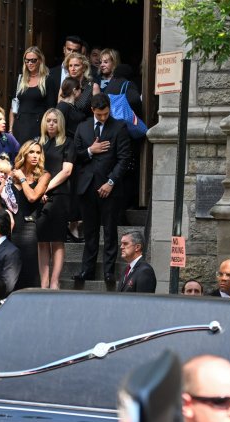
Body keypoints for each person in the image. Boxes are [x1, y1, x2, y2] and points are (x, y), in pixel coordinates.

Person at [73, 93, 131, 284]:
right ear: (92, 111)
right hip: (87, 186)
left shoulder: (119, 127)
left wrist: (111, 182)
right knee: (89, 232)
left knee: (110, 231)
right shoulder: (83, 128)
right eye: (99, 115)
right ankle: (86, 271)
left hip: (110, 187)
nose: (103, 117)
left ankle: (108, 271)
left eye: (106, 114)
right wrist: (91, 150)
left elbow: (124, 159)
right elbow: (77, 155)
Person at [37, 109, 75, 289]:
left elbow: (66, 171)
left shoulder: (68, 142)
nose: (51, 124)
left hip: (59, 194)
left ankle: (54, 281)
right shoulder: (39, 143)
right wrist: (38, 190)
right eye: (48, 120)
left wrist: (46, 186)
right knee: (42, 240)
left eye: (54, 121)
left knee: (57, 239)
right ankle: (44, 281)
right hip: (39, 194)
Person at [10, 140, 50, 289]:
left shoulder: (44, 176)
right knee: (9, 270)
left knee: (28, 269)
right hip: (10, 226)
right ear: (24, 154)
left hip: (28, 226)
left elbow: (32, 197)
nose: (35, 156)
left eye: (38, 153)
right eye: (31, 152)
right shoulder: (12, 173)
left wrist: (22, 179)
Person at [10, 46, 58, 145]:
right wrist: (10, 129)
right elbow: (13, 106)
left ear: (40, 60)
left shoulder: (48, 80)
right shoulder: (20, 80)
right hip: (19, 125)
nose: (30, 63)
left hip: (37, 126)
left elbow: (51, 108)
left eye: (33, 60)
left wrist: (47, 130)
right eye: (27, 61)